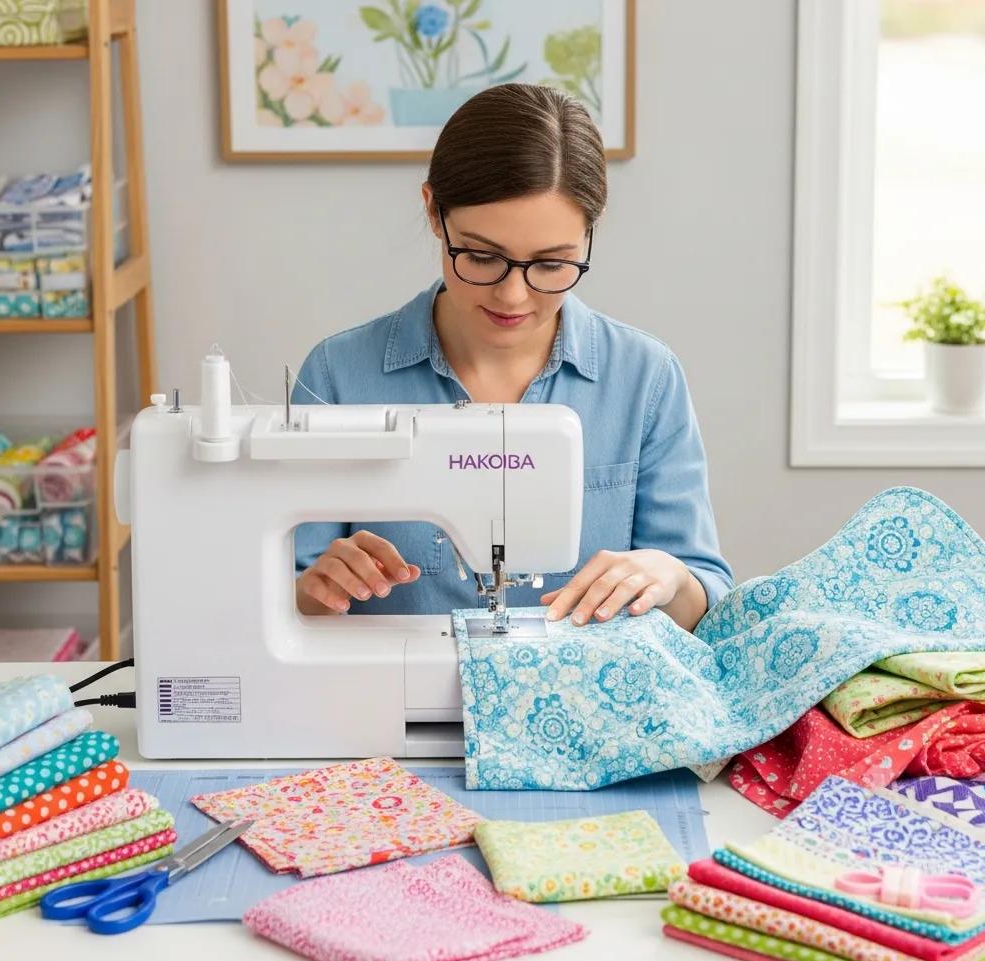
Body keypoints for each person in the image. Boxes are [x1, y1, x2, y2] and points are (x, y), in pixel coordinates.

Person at [294, 83, 732, 632]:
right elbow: (284, 594)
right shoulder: (337, 376)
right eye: (481, 256)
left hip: (589, 710)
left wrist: (669, 576)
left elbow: (704, 601)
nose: (513, 297)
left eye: (551, 264)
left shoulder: (645, 379)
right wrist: (313, 591)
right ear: (434, 212)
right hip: (385, 708)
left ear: (587, 236)